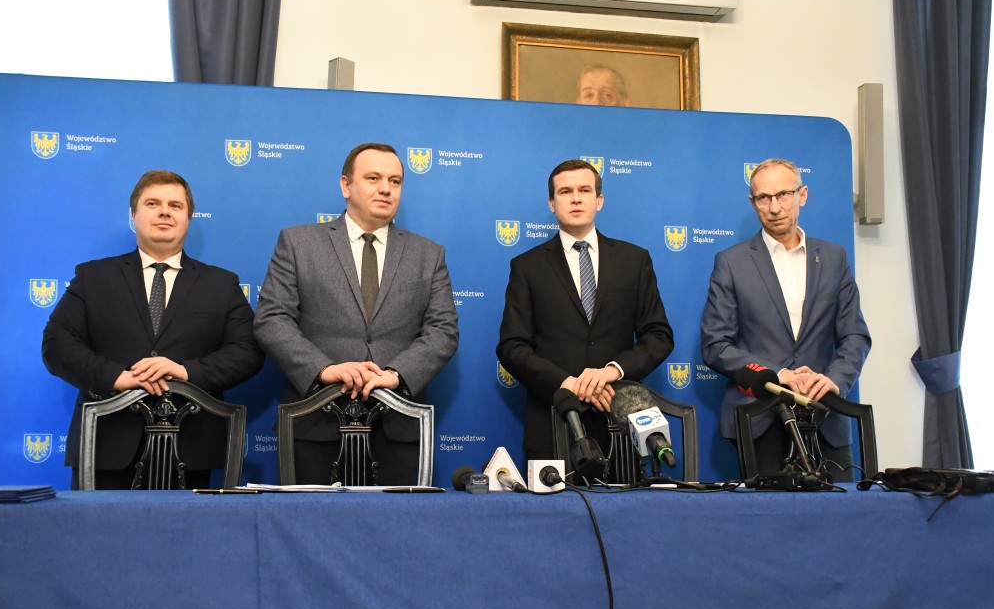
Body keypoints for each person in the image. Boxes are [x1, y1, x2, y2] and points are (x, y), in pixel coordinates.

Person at [42, 170, 264, 489]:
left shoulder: (221, 284)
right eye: (153, 203)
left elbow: (248, 351)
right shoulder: (93, 277)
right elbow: (57, 345)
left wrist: (186, 372)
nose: (164, 212)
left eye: (175, 205)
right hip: (104, 444)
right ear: (133, 215)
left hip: (191, 447)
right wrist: (117, 377)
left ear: (188, 217)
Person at [254, 142, 459, 485]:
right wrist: (325, 369)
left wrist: (397, 374)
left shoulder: (428, 254)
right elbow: (272, 319)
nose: (386, 189)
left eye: (395, 181)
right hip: (315, 422)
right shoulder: (298, 243)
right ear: (346, 185)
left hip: (398, 424)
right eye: (374, 178)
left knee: (399, 521)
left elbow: (443, 330)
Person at [700, 158, 871, 479]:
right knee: (769, 511)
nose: (775, 207)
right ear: (753, 203)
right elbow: (716, 345)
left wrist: (833, 380)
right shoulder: (731, 263)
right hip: (759, 419)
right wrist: (778, 375)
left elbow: (855, 335)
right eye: (764, 198)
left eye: (783, 195)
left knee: (842, 509)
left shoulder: (834, 258)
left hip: (826, 414)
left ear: (801, 195)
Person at [497, 159, 674, 463]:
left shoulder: (634, 260)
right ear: (552, 203)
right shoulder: (527, 267)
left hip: (621, 425)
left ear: (599, 200)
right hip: (552, 423)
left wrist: (611, 372)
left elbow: (658, 336)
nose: (576, 198)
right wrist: (569, 383)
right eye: (565, 192)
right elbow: (512, 347)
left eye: (585, 190)